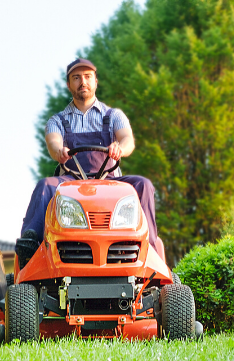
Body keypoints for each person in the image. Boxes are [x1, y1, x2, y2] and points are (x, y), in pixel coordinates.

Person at [17, 58, 157, 264]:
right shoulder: (57, 121)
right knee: (45, 185)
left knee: (143, 184)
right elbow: (53, 141)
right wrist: (59, 151)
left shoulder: (113, 115)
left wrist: (120, 147)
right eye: (76, 78)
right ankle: (32, 246)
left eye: (87, 77)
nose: (83, 82)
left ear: (95, 81)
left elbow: (127, 139)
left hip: (110, 181)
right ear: (69, 84)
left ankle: (149, 249)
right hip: (71, 183)